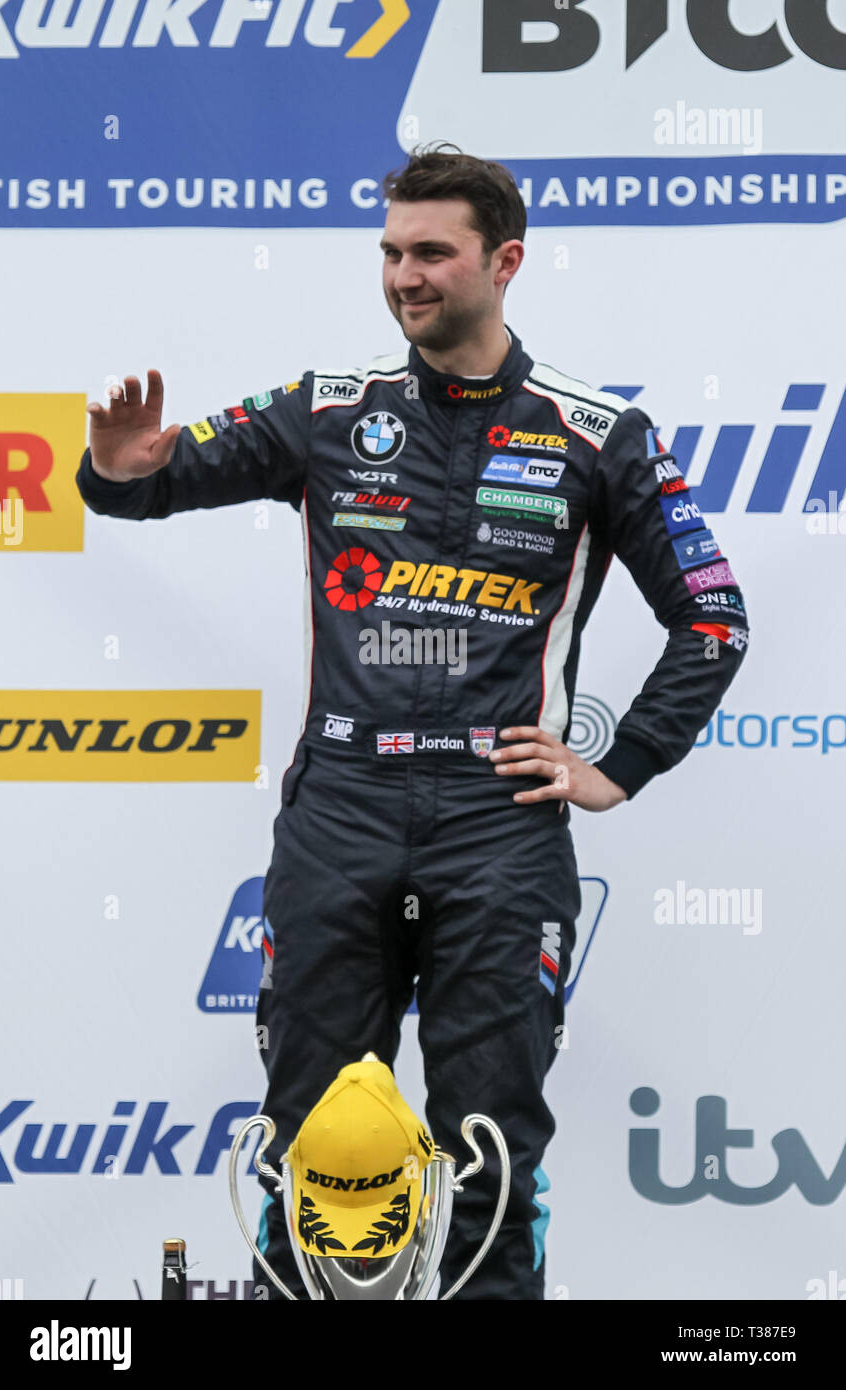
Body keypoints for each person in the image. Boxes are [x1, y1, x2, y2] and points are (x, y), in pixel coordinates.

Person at [76, 145, 748, 1300]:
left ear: (505, 261)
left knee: (487, 1150)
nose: (403, 276)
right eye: (390, 252)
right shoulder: (326, 412)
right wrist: (118, 469)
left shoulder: (599, 435)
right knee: (308, 1148)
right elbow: (160, 474)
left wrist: (617, 764)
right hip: (339, 810)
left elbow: (713, 618)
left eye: (430, 252)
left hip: (500, 825)